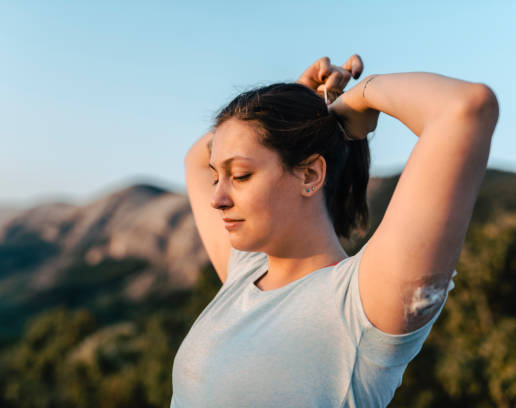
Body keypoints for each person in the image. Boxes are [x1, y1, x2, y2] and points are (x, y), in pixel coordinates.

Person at [172, 55, 499, 407]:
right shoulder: (245, 272)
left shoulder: (361, 304)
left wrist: (361, 97)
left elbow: (466, 107)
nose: (217, 198)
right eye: (217, 176)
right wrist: (296, 103)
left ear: (310, 175)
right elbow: (195, 157)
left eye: (239, 175)